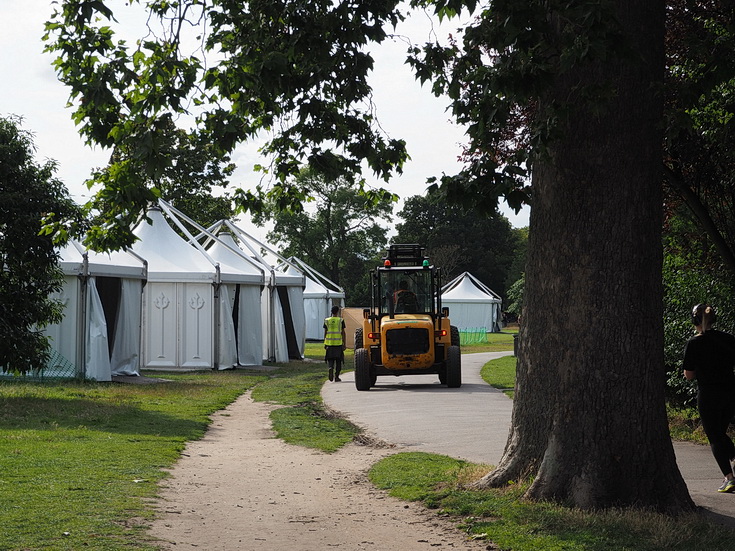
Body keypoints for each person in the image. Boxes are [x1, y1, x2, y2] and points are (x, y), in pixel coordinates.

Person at [683, 303, 735, 493]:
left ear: (694, 320)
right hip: (730, 391)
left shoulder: (694, 342)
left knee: (714, 436)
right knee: (720, 433)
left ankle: (729, 478)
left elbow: (689, 375)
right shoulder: (729, 339)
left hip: (708, 394)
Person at [323, 305, 346, 382]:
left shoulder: (327, 320)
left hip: (329, 344)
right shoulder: (340, 320)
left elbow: (325, 332)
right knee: (339, 361)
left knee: (330, 359)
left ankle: (330, 368)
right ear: (337, 312)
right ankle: (336, 376)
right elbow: (343, 332)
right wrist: (344, 343)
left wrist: (325, 342)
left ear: (331, 311)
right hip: (338, 344)